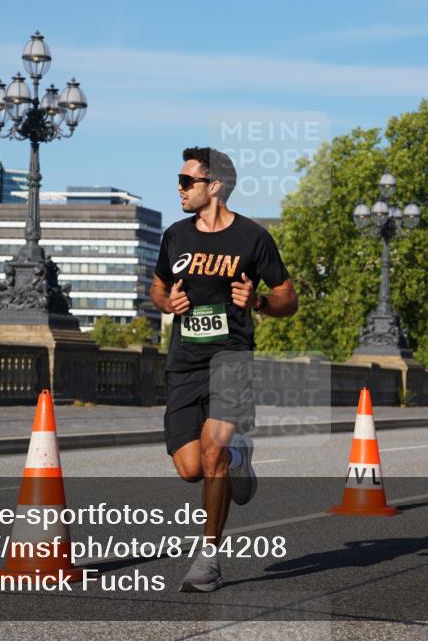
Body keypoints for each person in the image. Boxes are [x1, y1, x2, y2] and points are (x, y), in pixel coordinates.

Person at [150, 147, 298, 592]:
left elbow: (287, 298)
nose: (178, 187)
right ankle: (239, 456)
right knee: (191, 468)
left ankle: (208, 559)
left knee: (210, 455)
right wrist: (166, 302)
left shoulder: (252, 238)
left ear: (214, 187)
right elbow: (158, 289)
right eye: (179, 180)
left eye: (186, 181)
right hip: (184, 362)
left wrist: (258, 302)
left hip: (232, 357)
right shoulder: (175, 236)